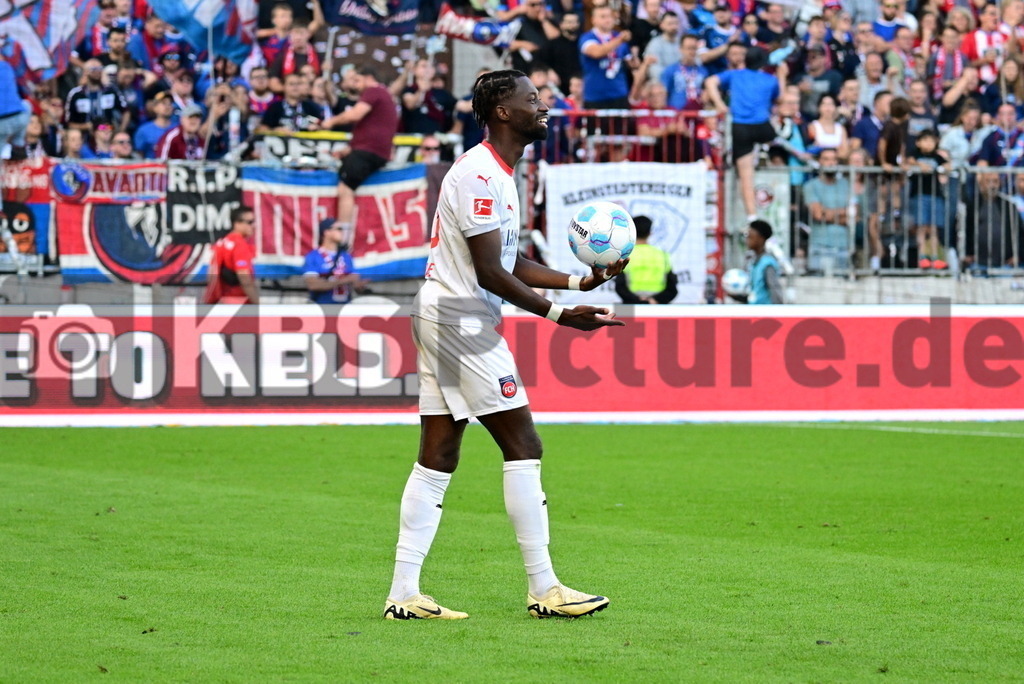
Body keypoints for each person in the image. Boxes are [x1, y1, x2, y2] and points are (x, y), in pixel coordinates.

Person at [384, 69, 626, 621]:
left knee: (439, 455)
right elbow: (490, 272)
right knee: (524, 443)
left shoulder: (499, 174)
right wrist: (563, 317)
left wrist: (575, 282)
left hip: (447, 315)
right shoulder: (477, 174)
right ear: (501, 111)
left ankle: (403, 594)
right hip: (461, 320)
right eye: (532, 99)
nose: (544, 106)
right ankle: (545, 588)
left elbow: (510, 260)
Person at [705, 47, 782, 224]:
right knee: (778, 138)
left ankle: (752, 216)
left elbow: (710, 82)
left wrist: (719, 105)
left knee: (746, 174)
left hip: (741, 128)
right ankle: (772, 151)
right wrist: (783, 76)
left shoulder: (734, 75)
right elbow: (779, 100)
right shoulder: (771, 80)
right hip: (763, 128)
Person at [321, 66, 399, 243]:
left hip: (368, 152)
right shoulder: (383, 95)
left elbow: (355, 115)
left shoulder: (373, 91)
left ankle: (343, 238)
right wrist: (348, 150)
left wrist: (330, 122)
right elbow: (371, 129)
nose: (355, 86)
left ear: (367, 77)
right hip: (372, 151)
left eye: (356, 80)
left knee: (345, 189)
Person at [614, 215, 677, 304]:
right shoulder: (662, 255)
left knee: (618, 315)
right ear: (650, 232)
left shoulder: (625, 255)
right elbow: (672, 288)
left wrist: (638, 301)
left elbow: (620, 287)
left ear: (632, 232)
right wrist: (655, 300)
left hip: (632, 305)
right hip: (658, 306)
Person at [203, 205, 260, 305]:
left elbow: (211, 275)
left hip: (220, 301)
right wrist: (257, 304)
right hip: (238, 303)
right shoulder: (239, 245)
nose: (254, 226)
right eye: (250, 222)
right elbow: (244, 278)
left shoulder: (222, 242)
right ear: (237, 223)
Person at [303, 218, 365, 304]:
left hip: (344, 309)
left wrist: (358, 285)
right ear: (326, 232)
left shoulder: (346, 256)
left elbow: (354, 281)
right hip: (322, 308)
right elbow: (313, 285)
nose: (342, 232)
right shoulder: (314, 256)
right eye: (339, 229)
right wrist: (344, 280)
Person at [734, 219, 783, 304]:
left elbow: (775, 291)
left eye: (750, 237)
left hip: (764, 314)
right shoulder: (751, 261)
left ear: (761, 238)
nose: (747, 240)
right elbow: (754, 293)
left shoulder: (767, 263)